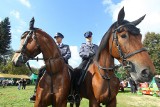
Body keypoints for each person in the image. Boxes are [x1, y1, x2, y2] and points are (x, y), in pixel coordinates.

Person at [29, 32, 71, 102]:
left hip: (63, 64)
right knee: (41, 70)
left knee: (71, 71)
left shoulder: (66, 46)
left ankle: (71, 94)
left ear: (61, 38)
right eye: (55, 38)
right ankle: (35, 92)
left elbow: (69, 54)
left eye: (57, 37)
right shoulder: (52, 46)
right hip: (52, 64)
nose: (56, 39)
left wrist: (62, 58)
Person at [74, 31, 98, 102]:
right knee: (77, 71)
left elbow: (99, 54)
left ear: (91, 37)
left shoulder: (96, 46)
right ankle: (76, 91)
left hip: (95, 62)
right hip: (86, 61)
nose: (88, 38)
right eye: (87, 37)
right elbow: (81, 53)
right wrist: (88, 54)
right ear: (85, 38)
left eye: (89, 37)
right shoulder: (83, 45)